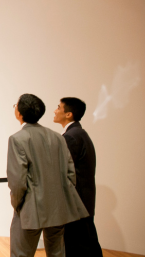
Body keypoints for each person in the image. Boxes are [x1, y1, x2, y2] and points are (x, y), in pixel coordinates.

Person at [8, 94, 89, 257]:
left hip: (30, 208)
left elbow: (17, 181)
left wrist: (17, 204)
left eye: (15, 105)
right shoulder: (57, 137)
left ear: (20, 113)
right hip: (58, 207)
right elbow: (70, 173)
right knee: (57, 253)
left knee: (21, 253)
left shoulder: (17, 139)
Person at [54, 97, 103, 257]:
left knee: (78, 247)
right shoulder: (78, 133)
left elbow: (64, 172)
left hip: (76, 203)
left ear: (68, 114)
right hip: (82, 202)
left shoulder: (71, 137)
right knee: (87, 243)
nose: (55, 110)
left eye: (58, 107)